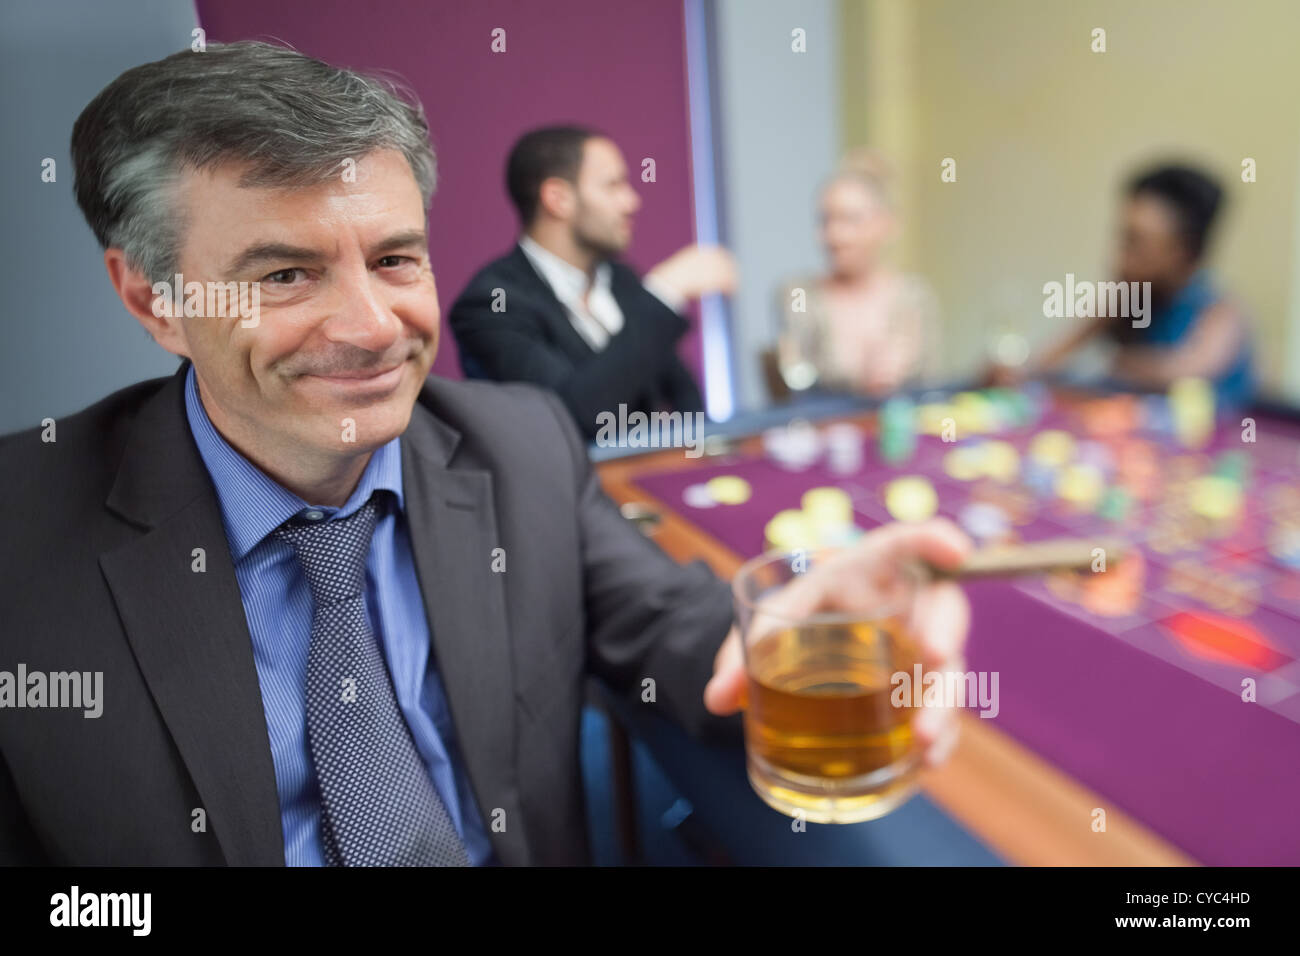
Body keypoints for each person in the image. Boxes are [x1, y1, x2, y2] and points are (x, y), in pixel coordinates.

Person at [0, 41, 970, 867]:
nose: (372, 326)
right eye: (286, 273)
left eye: (392, 258)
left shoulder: (519, 444)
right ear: (152, 299)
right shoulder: (19, 536)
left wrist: (786, 632)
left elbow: (666, 620)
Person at [449, 126, 736, 439]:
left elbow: (684, 395)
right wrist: (663, 293)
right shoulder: (491, 304)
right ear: (558, 198)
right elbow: (573, 418)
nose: (632, 201)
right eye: (613, 186)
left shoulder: (620, 279)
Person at [991, 163, 1254, 407]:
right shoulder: (1126, 299)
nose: (1119, 256)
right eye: (1121, 238)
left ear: (1183, 253)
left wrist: (1112, 366)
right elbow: (1050, 359)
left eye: (1136, 243)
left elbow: (1183, 373)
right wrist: (1017, 373)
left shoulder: (1219, 314)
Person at [772, 149, 935, 399]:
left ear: (887, 224)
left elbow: (930, 388)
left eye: (850, 220)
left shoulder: (914, 296)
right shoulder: (798, 293)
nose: (834, 236)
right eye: (825, 220)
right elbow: (793, 386)